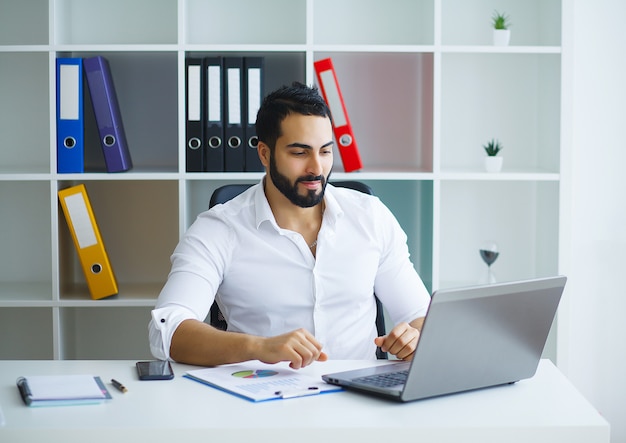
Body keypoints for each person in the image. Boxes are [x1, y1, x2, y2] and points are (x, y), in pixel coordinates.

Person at [149, 82, 430, 369]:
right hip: (262, 398)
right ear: (264, 154)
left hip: (361, 395)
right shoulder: (220, 229)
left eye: (325, 151)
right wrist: (259, 346)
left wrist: (415, 338)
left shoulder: (371, 217)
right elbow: (167, 331)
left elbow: (421, 315)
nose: (317, 168)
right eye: (299, 153)